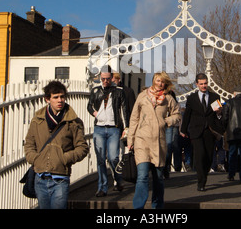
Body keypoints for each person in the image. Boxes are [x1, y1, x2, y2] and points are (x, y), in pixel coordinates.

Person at [24, 80, 89, 209]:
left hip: (60, 178)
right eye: (56, 97)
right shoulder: (37, 121)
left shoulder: (73, 122)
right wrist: (35, 159)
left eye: (62, 97)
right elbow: (29, 144)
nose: (60, 100)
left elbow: (82, 147)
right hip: (40, 176)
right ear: (47, 99)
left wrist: (64, 158)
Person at [128, 71, 181, 209]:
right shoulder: (142, 96)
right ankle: (138, 207)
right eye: (158, 80)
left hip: (159, 142)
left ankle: (157, 206)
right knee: (142, 176)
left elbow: (177, 114)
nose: (160, 83)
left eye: (162, 81)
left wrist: (167, 121)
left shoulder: (168, 99)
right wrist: (130, 139)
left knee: (158, 179)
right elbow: (134, 118)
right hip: (142, 140)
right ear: (153, 81)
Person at [87, 66, 130, 197]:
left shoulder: (118, 91)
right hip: (99, 128)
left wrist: (126, 128)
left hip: (114, 128)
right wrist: (95, 113)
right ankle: (102, 187)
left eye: (107, 79)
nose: (105, 81)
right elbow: (89, 105)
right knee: (100, 158)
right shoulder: (95, 91)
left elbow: (124, 109)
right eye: (103, 79)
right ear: (100, 77)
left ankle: (118, 179)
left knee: (113, 158)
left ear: (111, 78)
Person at [180, 73, 223, 191]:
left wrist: (219, 114)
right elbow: (187, 115)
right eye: (201, 84)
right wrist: (183, 130)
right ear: (197, 84)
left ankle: (205, 175)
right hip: (196, 131)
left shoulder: (215, 97)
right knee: (199, 156)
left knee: (209, 156)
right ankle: (201, 181)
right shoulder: (192, 98)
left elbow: (218, 116)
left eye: (205, 83)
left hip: (210, 131)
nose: (204, 86)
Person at [164, 90, 182, 178]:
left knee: (171, 145)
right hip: (163, 125)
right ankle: (165, 166)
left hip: (172, 125)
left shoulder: (175, 103)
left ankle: (172, 165)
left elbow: (178, 116)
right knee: (170, 146)